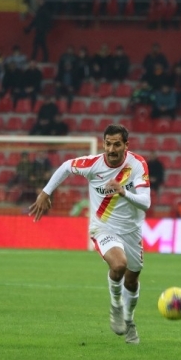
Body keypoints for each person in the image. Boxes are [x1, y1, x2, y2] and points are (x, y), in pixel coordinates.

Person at [29, 124, 150, 344]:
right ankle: (115, 305)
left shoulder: (137, 164)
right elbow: (66, 167)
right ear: (103, 143)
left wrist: (123, 192)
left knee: (131, 281)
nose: (111, 149)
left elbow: (146, 202)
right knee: (119, 265)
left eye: (117, 144)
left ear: (126, 145)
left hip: (131, 231)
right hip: (103, 227)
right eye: (108, 144)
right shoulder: (93, 164)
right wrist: (46, 192)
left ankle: (129, 321)